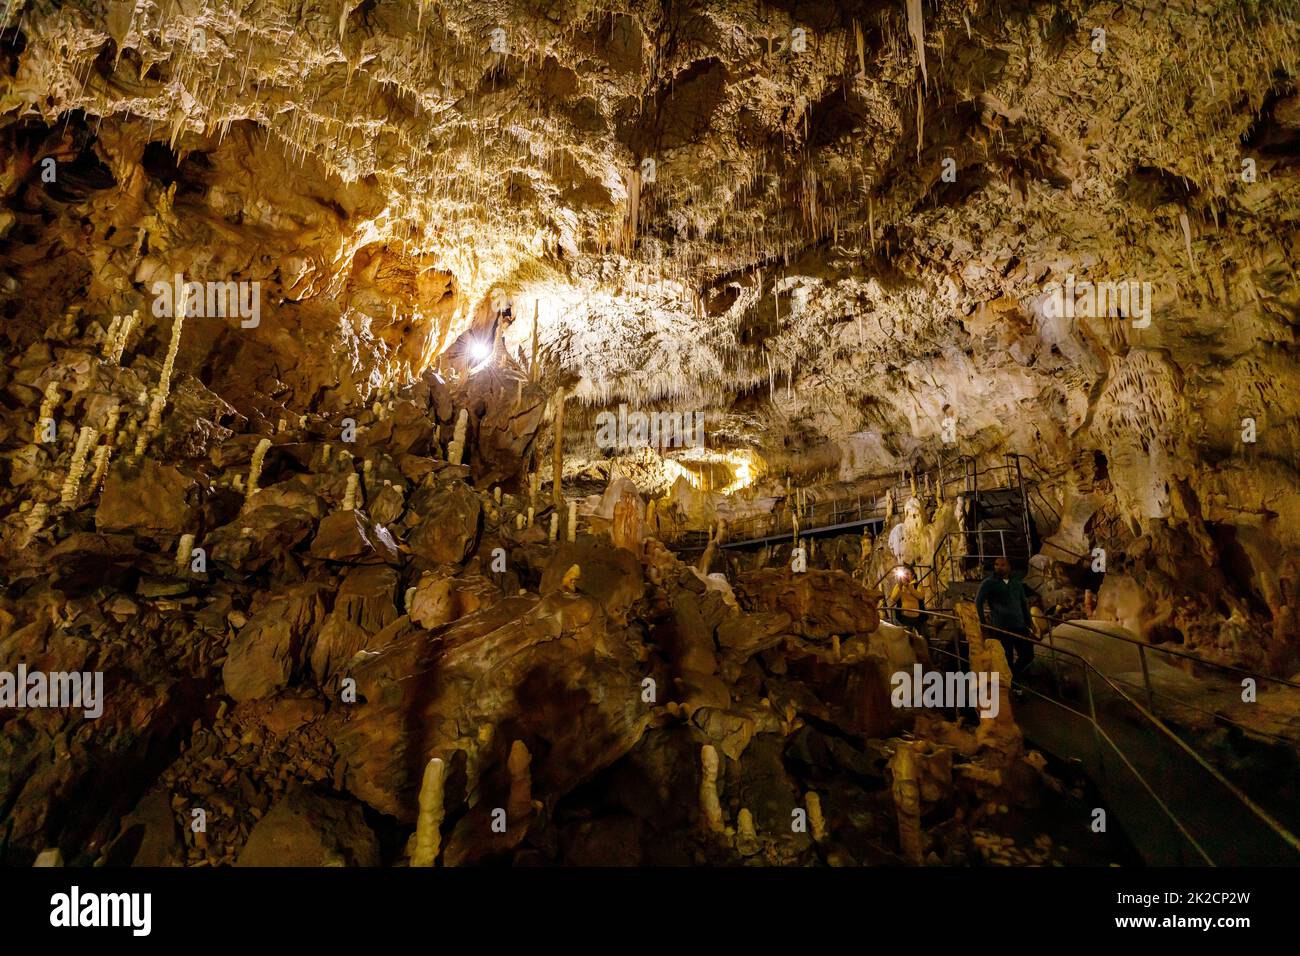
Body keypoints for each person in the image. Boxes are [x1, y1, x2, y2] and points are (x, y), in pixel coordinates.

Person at [975, 556, 1036, 677]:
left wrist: (1029, 621)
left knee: (1028, 654)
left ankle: (1014, 677)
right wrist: (982, 622)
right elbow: (978, 602)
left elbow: (1023, 602)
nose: (999, 568)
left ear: (1009, 567)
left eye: (1002, 565)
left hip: (1019, 624)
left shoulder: (1016, 582)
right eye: (996, 565)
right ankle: (1011, 684)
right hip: (1001, 626)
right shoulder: (989, 583)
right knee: (1006, 657)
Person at [889, 565, 928, 638]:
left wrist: (908, 586)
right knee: (906, 638)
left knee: (924, 637)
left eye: (907, 574)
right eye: (904, 574)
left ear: (913, 576)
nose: (905, 576)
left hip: (918, 617)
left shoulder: (917, 585)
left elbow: (921, 596)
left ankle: (928, 648)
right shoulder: (898, 586)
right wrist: (900, 587)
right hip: (904, 617)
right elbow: (894, 598)